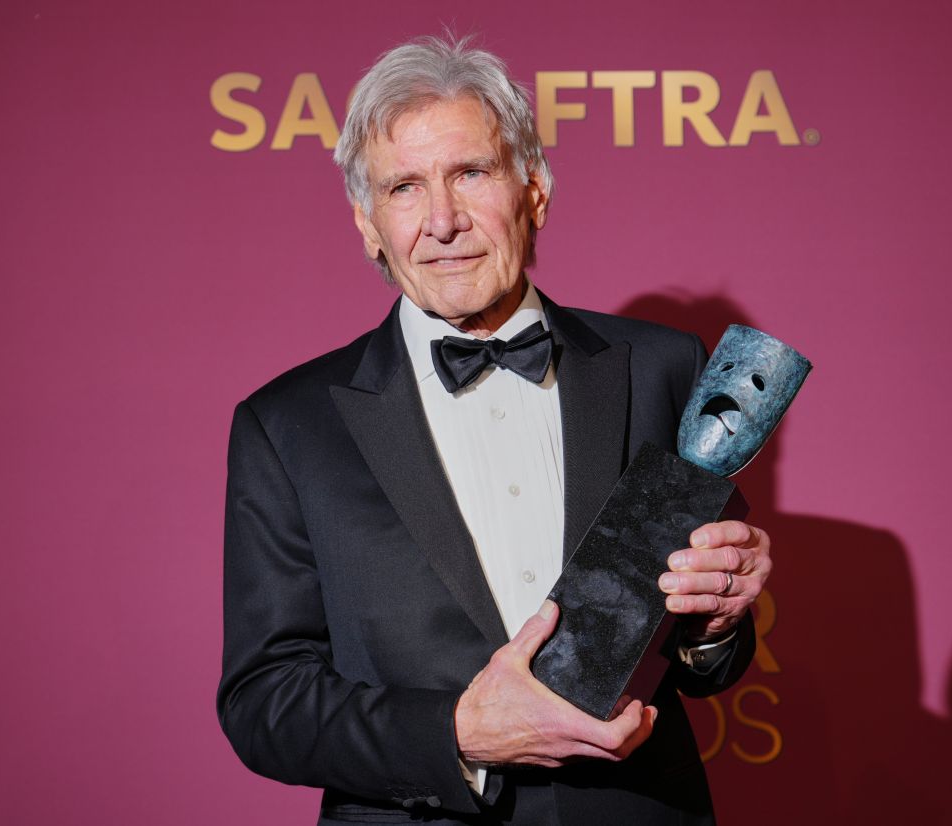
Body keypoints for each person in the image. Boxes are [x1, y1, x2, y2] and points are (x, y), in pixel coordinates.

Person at [217, 35, 772, 826]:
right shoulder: (286, 426)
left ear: (534, 191)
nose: (442, 221)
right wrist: (459, 735)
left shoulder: (663, 368)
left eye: (470, 173)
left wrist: (716, 624)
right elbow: (263, 702)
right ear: (368, 224)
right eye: (404, 187)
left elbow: (698, 665)